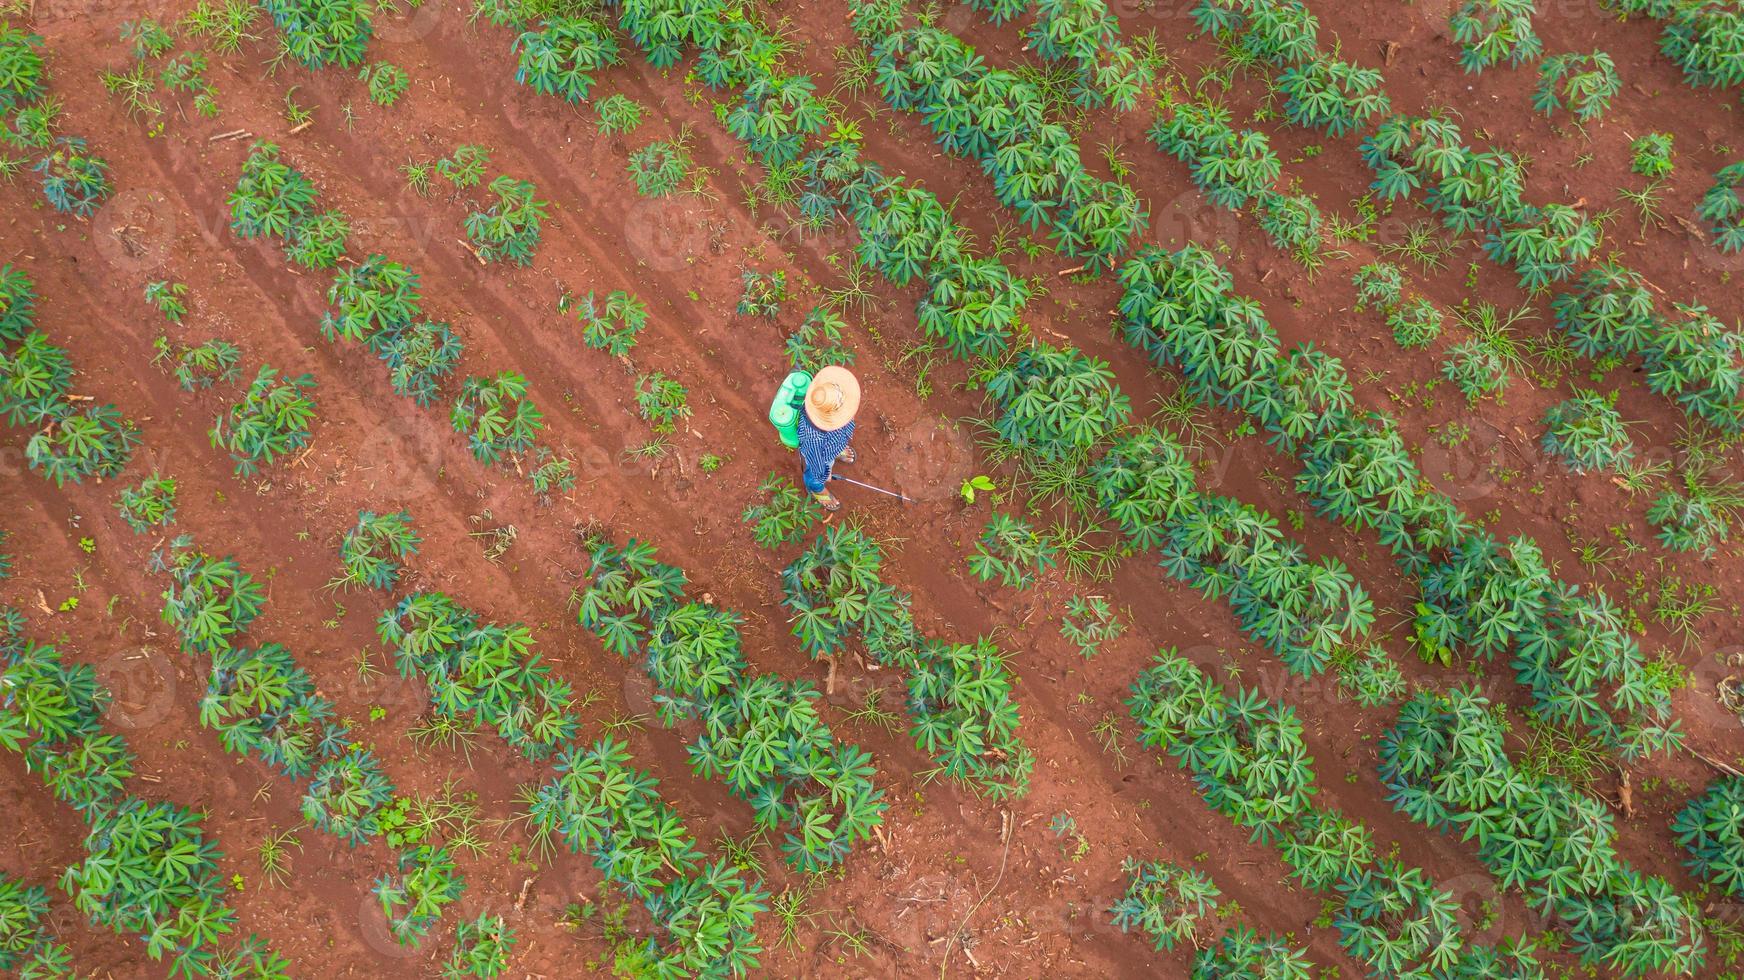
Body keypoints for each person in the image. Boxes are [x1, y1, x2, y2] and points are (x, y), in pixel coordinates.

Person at [796, 365, 859, 512]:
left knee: (833, 446)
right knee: (815, 476)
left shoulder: (827, 400)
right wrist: (824, 474)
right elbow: (816, 461)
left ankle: (836, 449)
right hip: (821, 454)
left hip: (833, 439)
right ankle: (817, 490)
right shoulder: (813, 438)